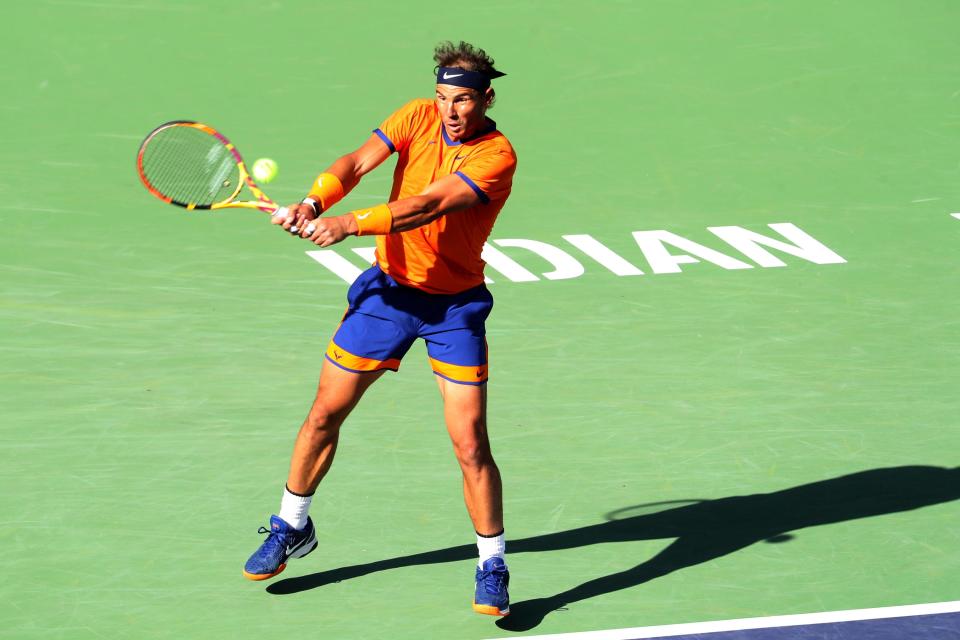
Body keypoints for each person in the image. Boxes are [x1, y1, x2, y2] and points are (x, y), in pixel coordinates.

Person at [242, 41, 517, 617]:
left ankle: (492, 562)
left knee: (470, 443)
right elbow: (357, 162)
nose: (449, 110)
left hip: (454, 308)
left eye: (463, 100)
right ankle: (292, 525)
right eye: (443, 97)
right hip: (387, 295)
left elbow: (428, 204)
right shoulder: (415, 114)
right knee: (324, 413)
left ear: (486, 99)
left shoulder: (497, 157)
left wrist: (348, 223)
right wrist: (315, 201)